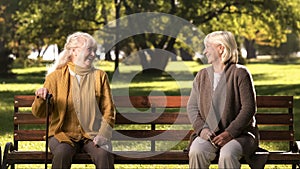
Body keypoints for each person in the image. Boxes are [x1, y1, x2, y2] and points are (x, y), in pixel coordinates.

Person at [32, 32, 116, 169]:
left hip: (92, 135)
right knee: (62, 153)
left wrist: (103, 134)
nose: (93, 54)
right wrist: (41, 99)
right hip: (62, 135)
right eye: (90, 50)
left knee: (103, 154)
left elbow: (108, 110)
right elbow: (39, 113)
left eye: (94, 50)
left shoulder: (100, 76)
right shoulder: (55, 77)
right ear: (74, 51)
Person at [187, 31, 260, 169]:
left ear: (221, 48)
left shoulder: (240, 73)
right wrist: (202, 130)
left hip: (240, 135)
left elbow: (249, 108)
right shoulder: (202, 75)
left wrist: (230, 133)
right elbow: (192, 107)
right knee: (197, 151)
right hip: (209, 135)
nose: (205, 51)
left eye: (208, 46)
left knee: (228, 153)